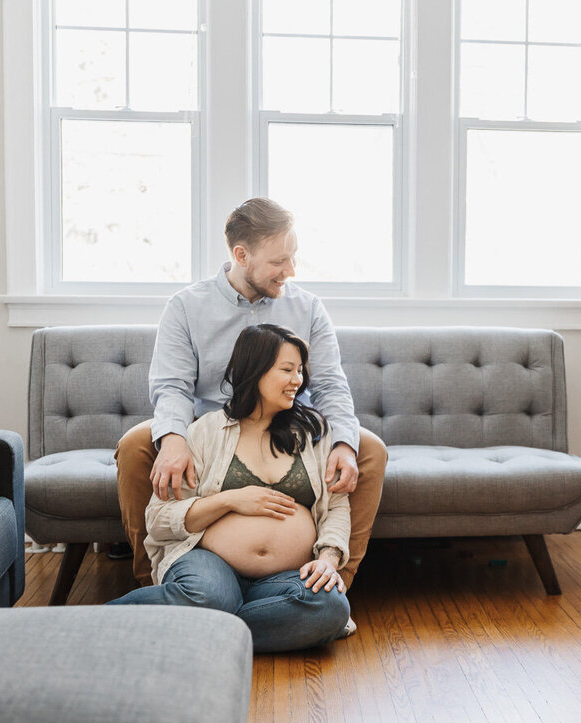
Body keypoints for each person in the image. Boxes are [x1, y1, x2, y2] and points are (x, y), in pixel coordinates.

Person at [115, 198, 388, 604]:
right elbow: (172, 387)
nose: (291, 271)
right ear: (241, 255)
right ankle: (157, 585)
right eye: (280, 261)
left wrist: (345, 445)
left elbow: (330, 384)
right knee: (138, 444)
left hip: (288, 426)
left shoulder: (307, 307)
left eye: (293, 258)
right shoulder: (187, 307)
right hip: (211, 429)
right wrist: (172, 438)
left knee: (369, 449)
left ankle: (332, 583)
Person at [110, 324, 351, 652]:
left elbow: (336, 506)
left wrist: (328, 558)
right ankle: (93, 624)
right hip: (209, 563)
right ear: (255, 370)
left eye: (300, 371)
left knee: (330, 607)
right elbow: (159, 517)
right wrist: (230, 500)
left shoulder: (313, 432)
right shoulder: (205, 432)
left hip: (286, 577)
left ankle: (209, 624)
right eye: (287, 370)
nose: (298, 380)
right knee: (209, 596)